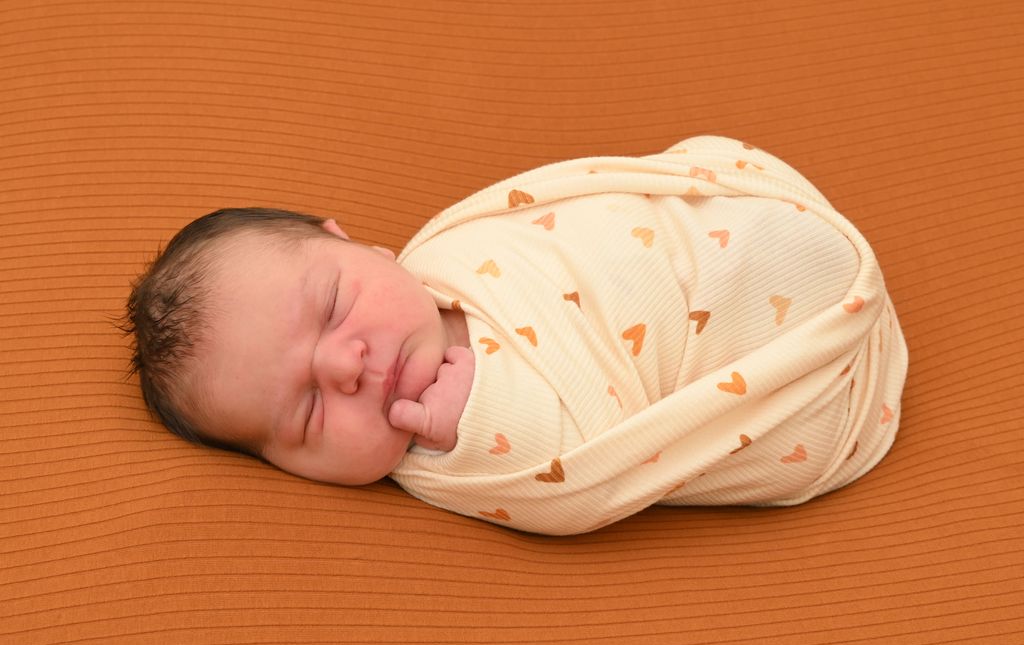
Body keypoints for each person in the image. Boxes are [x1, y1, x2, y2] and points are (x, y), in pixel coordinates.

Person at [124, 135, 909, 535]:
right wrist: (478, 425)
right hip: (803, 364)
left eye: (333, 304)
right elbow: (579, 484)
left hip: (721, 230)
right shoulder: (451, 463)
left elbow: (576, 218)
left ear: (357, 244)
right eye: (306, 412)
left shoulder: (445, 250)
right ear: (287, 470)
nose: (345, 365)